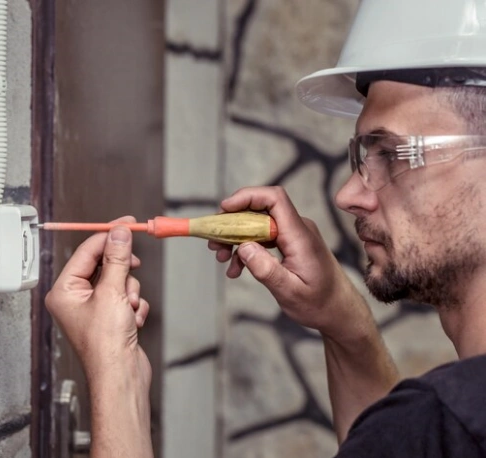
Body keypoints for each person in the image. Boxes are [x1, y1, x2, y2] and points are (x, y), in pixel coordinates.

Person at [45, 0, 486, 456]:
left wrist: (116, 377)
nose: (348, 195)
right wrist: (342, 320)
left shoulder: (440, 425)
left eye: (391, 153)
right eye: (362, 155)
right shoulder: (437, 427)